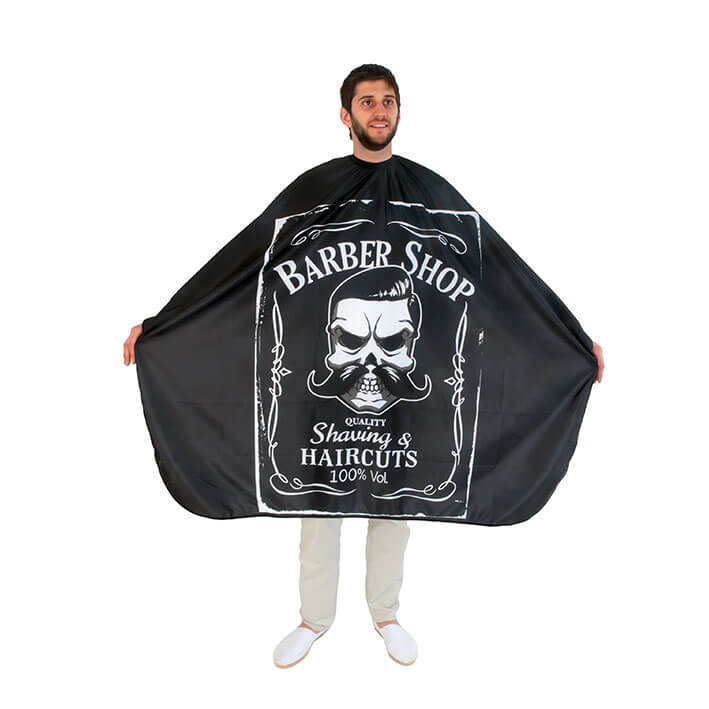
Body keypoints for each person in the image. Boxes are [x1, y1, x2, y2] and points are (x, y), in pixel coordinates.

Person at [123, 64, 605, 669]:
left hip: (408, 394)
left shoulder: (432, 193)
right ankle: (314, 620)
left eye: (388, 101)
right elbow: (244, 262)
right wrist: (164, 323)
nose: (380, 111)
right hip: (321, 393)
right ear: (345, 114)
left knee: (399, 501)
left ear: (399, 111)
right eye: (368, 101)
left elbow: (501, 270)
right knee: (316, 502)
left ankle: (386, 614)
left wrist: (570, 335)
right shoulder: (313, 190)